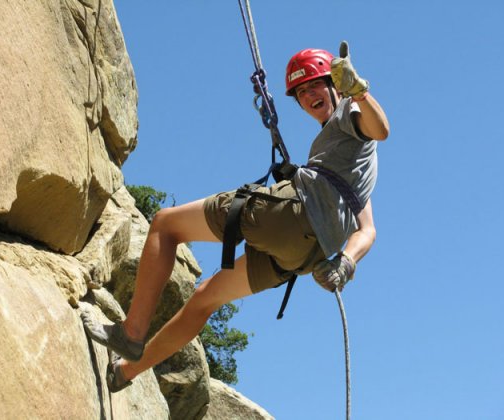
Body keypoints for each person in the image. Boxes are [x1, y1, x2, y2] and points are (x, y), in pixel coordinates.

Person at [81, 40, 389, 392]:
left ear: (336, 85)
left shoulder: (350, 112)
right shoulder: (353, 172)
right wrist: (345, 263)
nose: (308, 96)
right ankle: (125, 372)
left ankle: (131, 333)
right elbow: (368, 230)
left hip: (291, 215)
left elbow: (380, 129)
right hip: (304, 255)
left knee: (165, 225)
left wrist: (359, 91)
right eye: (301, 92)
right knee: (205, 299)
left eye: (316, 85)